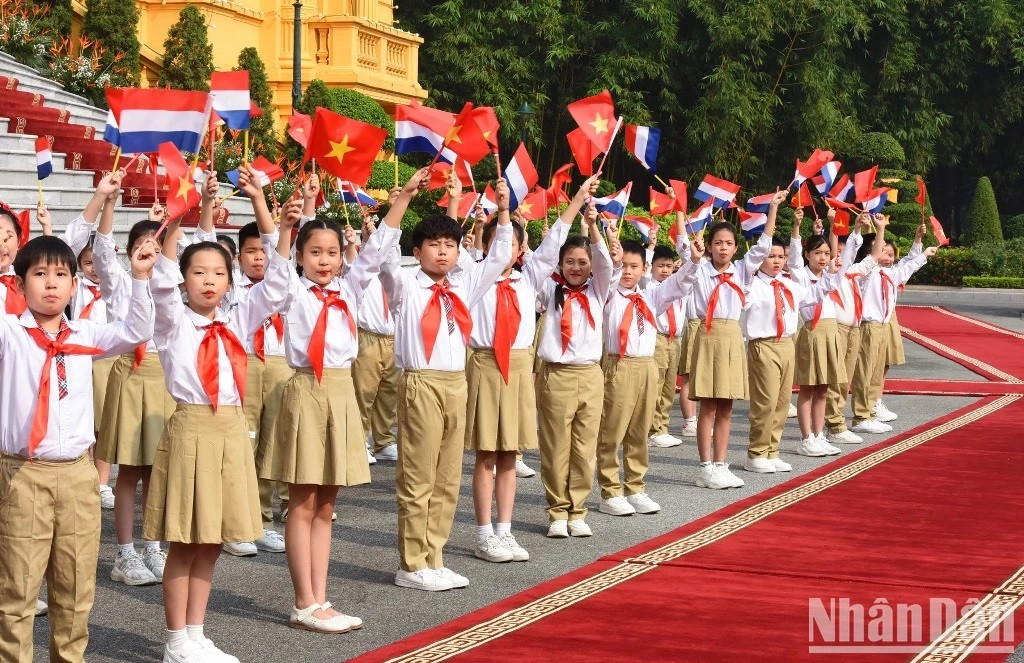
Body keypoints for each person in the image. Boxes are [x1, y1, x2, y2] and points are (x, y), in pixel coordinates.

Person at [259, 169, 425, 624]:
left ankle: (320, 598)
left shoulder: (350, 288)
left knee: (327, 504)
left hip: (341, 392)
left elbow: (376, 250)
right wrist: (286, 222)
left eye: (332, 252)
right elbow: (276, 271)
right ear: (300, 255)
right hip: (304, 391)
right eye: (315, 253)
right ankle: (303, 602)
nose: (325, 260)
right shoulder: (292, 289)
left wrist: (405, 197)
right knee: (303, 499)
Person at [142, 165, 292, 662]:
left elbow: (277, 282)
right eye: (198, 273)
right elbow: (161, 284)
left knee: (213, 539)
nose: (209, 281)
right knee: (186, 538)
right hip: (191, 427)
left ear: (230, 281)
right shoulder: (172, 322)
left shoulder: (238, 316)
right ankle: (175, 639)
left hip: (230, 429)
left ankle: (198, 631)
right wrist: (182, 218)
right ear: (185, 279)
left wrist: (260, 204)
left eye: (218, 273)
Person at [0, 233, 156, 662]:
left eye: (61, 275)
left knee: (74, 588)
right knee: (18, 588)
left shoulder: (85, 332)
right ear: (18, 284)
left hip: (78, 474)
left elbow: (139, 330)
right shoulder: (10, 334)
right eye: (39, 274)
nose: (51, 283)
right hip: (24, 473)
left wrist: (140, 277)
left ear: (74, 285)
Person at [380, 177, 514, 592]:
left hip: (458, 383)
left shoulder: (463, 286)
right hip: (420, 382)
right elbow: (382, 254)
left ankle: (435, 557)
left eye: (449, 245)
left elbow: (498, 258)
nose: (442, 251)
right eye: (434, 244)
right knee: (418, 476)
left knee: (447, 476)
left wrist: (504, 211)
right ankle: (411, 562)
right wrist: (402, 200)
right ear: (417, 251)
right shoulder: (404, 284)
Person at [460, 172, 585, 564]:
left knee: (510, 453)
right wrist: (500, 212)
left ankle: (505, 530)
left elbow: (556, 239)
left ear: (521, 248)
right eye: (502, 243)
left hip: (517, 365)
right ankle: (483, 533)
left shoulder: (530, 278)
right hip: (484, 362)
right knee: (486, 453)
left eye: (514, 244)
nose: (507, 250)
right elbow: (486, 246)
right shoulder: (474, 276)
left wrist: (579, 197)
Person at [597, 223, 701, 515]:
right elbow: (608, 276)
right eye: (624, 266)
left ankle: (636, 486)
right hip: (618, 364)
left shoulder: (649, 296)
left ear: (645, 269)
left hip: (647, 366)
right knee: (612, 429)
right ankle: (610, 491)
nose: (628, 271)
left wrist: (693, 261)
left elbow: (679, 284)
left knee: (639, 430)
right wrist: (613, 259)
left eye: (634, 266)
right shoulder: (607, 295)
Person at [689, 190, 785, 489]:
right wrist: (690, 252)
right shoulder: (699, 270)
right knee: (708, 405)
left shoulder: (741, 271)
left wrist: (772, 211)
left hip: (732, 335)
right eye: (717, 243)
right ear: (708, 247)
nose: (723, 248)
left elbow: (762, 247)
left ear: (734, 248)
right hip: (708, 334)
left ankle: (721, 463)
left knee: (727, 406)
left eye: (729, 243)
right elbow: (685, 256)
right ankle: (705, 467)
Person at [536, 192, 616, 538]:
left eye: (582, 262)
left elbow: (605, 263)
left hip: (590, 374)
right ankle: (557, 512)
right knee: (555, 446)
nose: (576, 268)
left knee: (585, 447)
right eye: (570, 261)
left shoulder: (599, 289)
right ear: (560, 264)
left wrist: (594, 226)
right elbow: (542, 257)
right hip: (556, 375)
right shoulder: (546, 290)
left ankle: (578, 510)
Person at [742, 234, 843, 473]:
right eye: (771, 256)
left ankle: (772, 451)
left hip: (787, 344)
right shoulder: (751, 285)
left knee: (782, 401)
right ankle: (756, 452)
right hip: (763, 344)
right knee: (765, 402)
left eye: (781, 257)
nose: (777, 261)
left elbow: (815, 295)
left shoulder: (789, 284)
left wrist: (834, 273)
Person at [849, 217, 936, 434]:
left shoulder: (886, 273)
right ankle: (860, 416)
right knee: (865, 372)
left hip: (881, 325)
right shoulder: (865, 273)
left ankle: (869, 412)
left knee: (876, 372)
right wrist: (879, 230)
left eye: (889, 253)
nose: (887, 256)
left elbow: (906, 267)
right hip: (868, 326)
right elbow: (881, 258)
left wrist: (921, 247)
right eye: (883, 251)